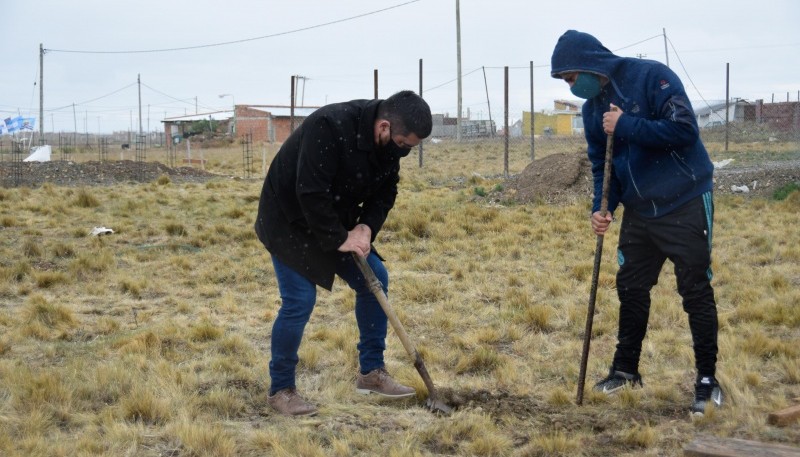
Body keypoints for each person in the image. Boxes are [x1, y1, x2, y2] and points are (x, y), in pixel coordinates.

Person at [550, 30, 723, 415]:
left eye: (571, 77)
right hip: (640, 211)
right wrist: (603, 206)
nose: (572, 86)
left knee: (695, 289)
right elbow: (602, 164)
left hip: (685, 200)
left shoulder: (652, 78)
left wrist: (626, 125)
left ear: (590, 63)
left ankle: (707, 380)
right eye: (566, 82)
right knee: (630, 287)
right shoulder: (592, 109)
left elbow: (683, 130)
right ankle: (626, 369)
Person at [254, 90, 432, 416]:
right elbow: (309, 191)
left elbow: (386, 191)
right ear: (383, 128)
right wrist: (339, 237)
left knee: (375, 277)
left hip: (336, 219)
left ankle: (371, 373)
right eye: (404, 145)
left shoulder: (388, 148)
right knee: (299, 301)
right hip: (289, 220)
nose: (403, 153)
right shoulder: (330, 126)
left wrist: (366, 227)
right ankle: (281, 389)